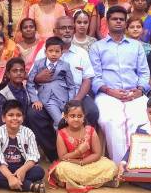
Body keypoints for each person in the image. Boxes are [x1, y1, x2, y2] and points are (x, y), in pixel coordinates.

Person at [30, 16, 100, 159]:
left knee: (92, 111)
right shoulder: (44, 51)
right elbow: (33, 77)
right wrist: (38, 78)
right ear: (55, 31)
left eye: (70, 28)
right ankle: (55, 155)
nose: (67, 31)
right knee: (33, 114)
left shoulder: (81, 53)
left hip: (77, 94)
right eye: (63, 28)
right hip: (49, 95)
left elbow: (87, 79)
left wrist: (76, 100)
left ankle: (83, 151)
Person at [90, 6, 150, 163]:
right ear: (107, 22)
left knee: (141, 119)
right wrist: (110, 91)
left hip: (134, 94)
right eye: (114, 19)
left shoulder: (136, 46)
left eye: (121, 19)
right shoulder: (97, 46)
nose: (118, 22)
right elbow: (95, 77)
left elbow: (144, 73)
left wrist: (140, 90)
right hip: (107, 94)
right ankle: (121, 165)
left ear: (125, 23)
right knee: (110, 120)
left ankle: (138, 164)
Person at [48, 101, 118, 192]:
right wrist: (78, 152)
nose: (76, 119)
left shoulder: (91, 130)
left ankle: (75, 183)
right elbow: (63, 157)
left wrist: (82, 162)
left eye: (79, 116)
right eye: (72, 116)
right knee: (61, 168)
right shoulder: (61, 133)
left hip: (90, 163)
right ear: (65, 117)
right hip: (71, 164)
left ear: (84, 117)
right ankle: (99, 182)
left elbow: (97, 154)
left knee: (111, 166)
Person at [0, 100, 46, 193]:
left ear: (23, 118)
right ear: (3, 118)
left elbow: (34, 156)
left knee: (39, 172)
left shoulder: (28, 133)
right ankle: (31, 186)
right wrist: (10, 177)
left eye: (18, 115)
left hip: (22, 166)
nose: (15, 118)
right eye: (10, 115)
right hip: (4, 168)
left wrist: (23, 170)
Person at [27, 36, 77, 130]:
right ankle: (60, 131)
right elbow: (30, 83)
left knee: (69, 119)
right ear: (45, 52)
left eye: (57, 51)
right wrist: (35, 100)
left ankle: (58, 131)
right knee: (61, 121)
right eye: (50, 51)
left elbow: (71, 86)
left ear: (61, 53)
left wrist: (70, 101)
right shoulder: (38, 64)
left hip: (63, 97)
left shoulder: (65, 65)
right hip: (47, 98)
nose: (54, 54)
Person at [0, 58, 31, 122]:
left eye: (21, 70)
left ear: (25, 73)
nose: (19, 73)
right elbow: (0, 118)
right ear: (8, 74)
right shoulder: (3, 94)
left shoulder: (29, 89)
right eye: (15, 71)